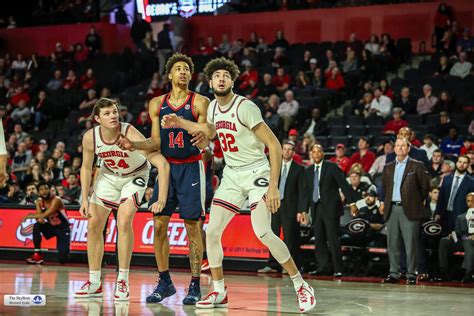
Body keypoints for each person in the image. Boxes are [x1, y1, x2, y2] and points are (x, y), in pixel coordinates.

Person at [161, 57, 316, 313]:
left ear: (232, 80)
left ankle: (301, 285)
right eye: (216, 76)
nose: (221, 79)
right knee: (211, 232)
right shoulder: (211, 107)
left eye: (225, 75)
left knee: (263, 232)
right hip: (232, 174)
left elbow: (275, 146)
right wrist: (180, 122)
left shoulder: (245, 107)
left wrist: (274, 186)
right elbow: (209, 131)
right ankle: (220, 291)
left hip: (257, 171)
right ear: (210, 81)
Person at [117, 54, 210, 305]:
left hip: (191, 168)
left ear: (190, 76)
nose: (182, 72)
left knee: (193, 227)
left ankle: (194, 284)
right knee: (159, 224)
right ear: (169, 75)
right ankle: (164, 282)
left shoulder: (200, 102)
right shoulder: (157, 103)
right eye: (178, 69)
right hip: (167, 169)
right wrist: (133, 144)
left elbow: (206, 133)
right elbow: (156, 142)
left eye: (186, 70)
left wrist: (188, 126)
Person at [74, 98, 170, 301]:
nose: (113, 116)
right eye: (108, 113)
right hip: (109, 176)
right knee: (94, 225)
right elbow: (85, 167)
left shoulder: (129, 132)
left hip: (134, 175)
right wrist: (84, 198)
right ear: (97, 118)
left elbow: (158, 160)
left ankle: (123, 279)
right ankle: (94, 281)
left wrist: (161, 195)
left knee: (124, 220)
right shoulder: (90, 137)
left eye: (115, 112)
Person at [381, 138, 430, 285]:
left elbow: (425, 188)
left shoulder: (417, 165)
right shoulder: (388, 167)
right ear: (394, 149)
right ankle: (394, 273)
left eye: (403, 146)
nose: (400, 148)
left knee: (411, 244)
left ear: (408, 149)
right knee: (393, 243)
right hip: (392, 209)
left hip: (410, 209)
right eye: (397, 145)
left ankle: (411, 274)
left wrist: (415, 201)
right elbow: (384, 187)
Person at [303, 144, 357, 277]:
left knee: (333, 239)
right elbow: (306, 193)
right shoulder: (308, 171)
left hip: (331, 209)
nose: (316, 154)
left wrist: (352, 203)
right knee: (319, 239)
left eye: (319, 152)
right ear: (311, 154)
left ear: (323, 154)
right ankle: (322, 267)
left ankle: (338, 268)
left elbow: (343, 185)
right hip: (316, 208)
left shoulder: (332, 167)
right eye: (314, 152)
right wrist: (304, 211)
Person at [258, 141, 306, 273]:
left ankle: (289, 267)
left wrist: (301, 210)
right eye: (284, 149)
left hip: (290, 206)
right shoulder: (274, 166)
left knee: (290, 237)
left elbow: (302, 191)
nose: (287, 151)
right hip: (275, 204)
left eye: (290, 149)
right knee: (272, 233)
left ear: (294, 152)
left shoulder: (299, 169)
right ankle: (273, 264)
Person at [23, 182, 71, 264]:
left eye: (46, 188)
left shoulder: (57, 200)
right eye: (41, 189)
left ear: (50, 190)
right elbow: (39, 216)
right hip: (51, 227)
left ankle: (66, 254)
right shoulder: (39, 202)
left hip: (63, 228)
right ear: (38, 193)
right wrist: (39, 219)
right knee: (37, 225)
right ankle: (37, 254)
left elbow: (47, 213)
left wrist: (32, 216)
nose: (44, 191)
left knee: (62, 259)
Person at [435, 192, 474, 283]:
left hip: (470, 242)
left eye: (473, 201)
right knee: (444, 241)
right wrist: (453, 235)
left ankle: (468, 273)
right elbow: (458, 232)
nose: (470, 203)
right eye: (468, 201)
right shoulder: (461, 217)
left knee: (468, 242)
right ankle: (443, 272)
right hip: (464, 240)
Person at [435, 155, 474, 234]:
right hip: (444, 215)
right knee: (444, 241)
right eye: (460, 162)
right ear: (456, 163)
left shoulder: (471, 182)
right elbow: (441, 198)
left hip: (461, 217)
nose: (461, 164)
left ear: (468, 165)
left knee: (457, 243)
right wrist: (437, 213)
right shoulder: (446, 178)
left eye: (465, 162)